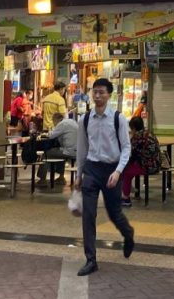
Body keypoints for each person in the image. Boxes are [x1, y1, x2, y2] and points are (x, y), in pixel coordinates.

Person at [73, 77, 135, 276]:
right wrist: (79, 174)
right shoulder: (85, 119)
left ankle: (128, 233)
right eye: (95, 92)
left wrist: (118, 172)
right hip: (92, 169)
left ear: (109, 95)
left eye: (101, 92)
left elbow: (126, 148)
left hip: (111, 170)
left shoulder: (118, 118)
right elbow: (82, 149)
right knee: (88, 215)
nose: (97, 96)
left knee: (114, 213)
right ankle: (91, 260)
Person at [120, 116, 161, 207]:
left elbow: (132, 154)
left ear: (133, 128)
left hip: (147, 166)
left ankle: (126, 198)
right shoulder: (150, 134)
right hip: (156, 164)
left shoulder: (137, 137)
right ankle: (129, 189)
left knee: (126, 172)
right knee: (127, 169)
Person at [36, 112, 78, 185]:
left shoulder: (61, 124)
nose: (54, 124)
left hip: (69, 151)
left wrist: (45, 134)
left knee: (47, 153)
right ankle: (61, 177)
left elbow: (51, 135)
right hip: (77, 151)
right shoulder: (71, 121)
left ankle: (42, 179)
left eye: (53, 122)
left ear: (55, 120)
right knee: (59, 151)